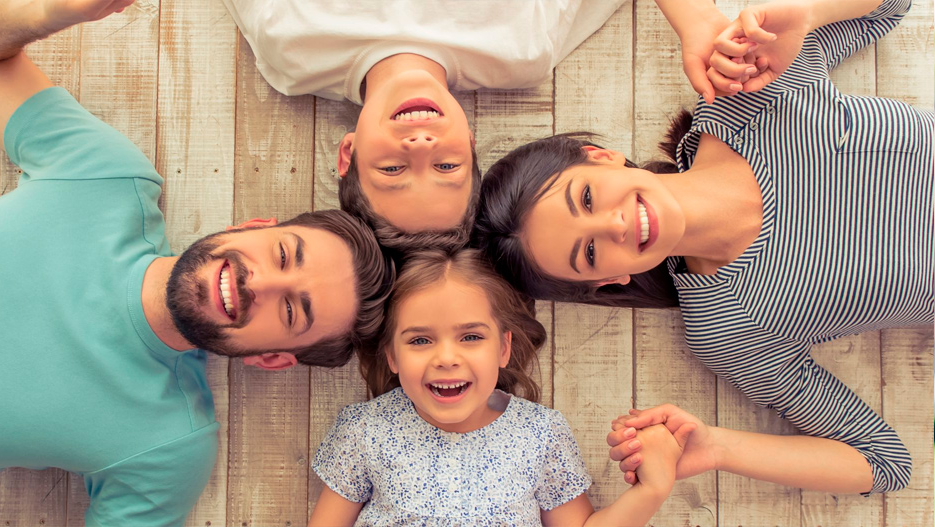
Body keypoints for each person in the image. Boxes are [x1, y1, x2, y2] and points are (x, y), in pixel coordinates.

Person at [0, 0, 392, 524]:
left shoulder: (169, 447)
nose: (258, 281)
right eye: (283, 255)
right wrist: (51, 11)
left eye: (291, 311)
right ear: (254, 227)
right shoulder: (104, 180)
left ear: (272, 359)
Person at [472, 0, 931, 496]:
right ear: (608, 280)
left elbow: (891, 6)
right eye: (589, 254)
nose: (616, 225)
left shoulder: (746, 98)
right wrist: (715, 447)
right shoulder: (727, 325)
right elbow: (881, 463)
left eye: (586, 197)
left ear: (601, 158)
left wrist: (805, 13)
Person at [221, 0, 739, 255]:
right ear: (470, 142)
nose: (421, 145)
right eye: (447, 166)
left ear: (348, 153)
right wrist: (697, 24)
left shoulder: (291, 50)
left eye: (393, 168)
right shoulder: (519, 54)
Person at [308, 249, 688, 526]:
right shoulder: (364, 430)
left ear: (504, 348)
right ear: (391, 356)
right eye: (420, 341)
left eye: (471, 336)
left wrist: (650, 490)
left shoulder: (541, 434)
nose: (445, 358)